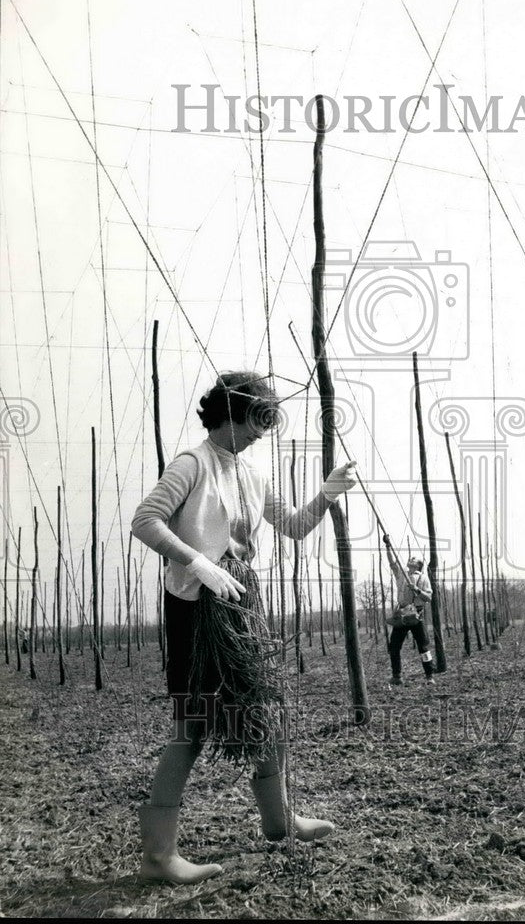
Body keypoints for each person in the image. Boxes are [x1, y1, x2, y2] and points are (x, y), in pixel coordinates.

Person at [130, 370, 357, 884]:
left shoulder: (250, 473)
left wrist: (327, 494)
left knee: (266, 711)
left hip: (239, 602)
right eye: (257, 421)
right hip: (195, 608)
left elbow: (295, 526)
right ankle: (158, 857)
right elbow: (146, 521)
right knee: (192, 727)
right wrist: (197, 563)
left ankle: (279, 823)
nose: (262, 432)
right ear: (230, 414)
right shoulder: (193, 464)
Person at [383, 534, 436, 687]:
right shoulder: (401, 574)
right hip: (402, 616)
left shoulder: (423, 578)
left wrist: (417, 590)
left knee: (423, 647)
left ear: (418, 565)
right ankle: (397, 675)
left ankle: (429, 676)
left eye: (413, 560)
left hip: (416, 615)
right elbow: (392, 562)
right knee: (394, 646)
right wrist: (388, 545)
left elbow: (428, 598)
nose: (410, 560)